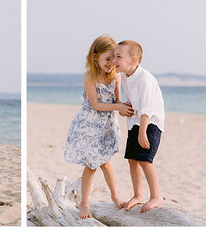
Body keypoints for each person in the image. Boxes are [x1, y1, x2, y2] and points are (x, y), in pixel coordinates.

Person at [63, 35, 133, 218]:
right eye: (107, 59)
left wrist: (124, 106)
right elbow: (96, 105)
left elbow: (117, 101)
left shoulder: (116, 75)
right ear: (95, 57)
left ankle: (115, 197)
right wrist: (117, 106)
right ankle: (84, 203)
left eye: (114, 59)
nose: (111, 63)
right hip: (90, 125)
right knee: (92, 165)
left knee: (106, 163)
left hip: (107, 126)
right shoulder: (90, 77)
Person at [115, 40, 165, 213]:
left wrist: (142, 132)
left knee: (145, 159)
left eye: (119, 57)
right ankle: (138, 194)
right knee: (132, 159)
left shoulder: (145, 79)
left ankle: (156, 196)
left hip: (150, 123)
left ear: (134, 60)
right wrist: (125, 109)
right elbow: (135, 103)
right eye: (114, 56)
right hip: (135, 122)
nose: (114, 60)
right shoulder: (125, 77)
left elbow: (147, 108)